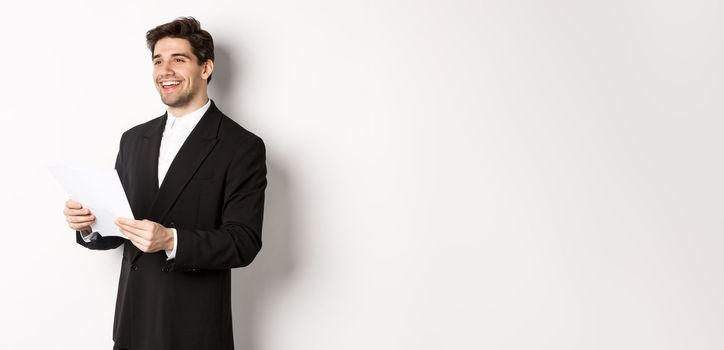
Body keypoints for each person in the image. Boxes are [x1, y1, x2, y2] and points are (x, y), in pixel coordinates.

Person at [62, 17, 266, 350]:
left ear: (206, 68)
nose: (165, 70)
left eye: (178, 59)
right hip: (132, 321)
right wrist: (88, 224)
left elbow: (243, 242)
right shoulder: (132, 139)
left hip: (193, 328)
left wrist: (171, 240)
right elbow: (116, 228)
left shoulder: (241, 146)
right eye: (158, 60)